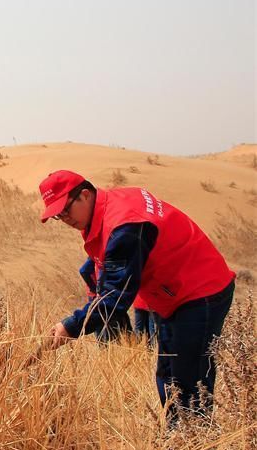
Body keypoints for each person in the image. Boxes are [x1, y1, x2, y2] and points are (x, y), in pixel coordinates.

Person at [40, 170, 236, 422]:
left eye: (65, 210)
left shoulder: (125, 225)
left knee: (190, 378)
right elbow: (104, 270)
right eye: (58, 216)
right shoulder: (108, 209)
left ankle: (196, 446)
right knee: (168, 373)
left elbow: (115, 297)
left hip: (200, 291)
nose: (64, 219)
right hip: (171, 296)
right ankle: (177, 440)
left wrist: (71, 326)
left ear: (85, 195)